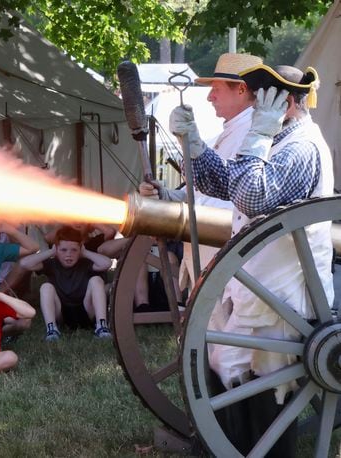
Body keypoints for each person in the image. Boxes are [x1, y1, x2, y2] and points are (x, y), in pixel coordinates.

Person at [173, 63, 332, 456]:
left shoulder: (300, 147)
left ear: (288, 103)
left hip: (282, 296)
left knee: (267, 382)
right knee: (229, 368)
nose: (258, 106)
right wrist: (193, 146)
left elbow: (252, 197)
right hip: (258, 288)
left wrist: (259, 133)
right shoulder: (278, 140)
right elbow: (227, 182)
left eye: (266, 99)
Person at [140, 52, 262, 291]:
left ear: (241, 89)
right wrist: (167, 196)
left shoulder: (253, 137)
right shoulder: (229, 132)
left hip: (231, 257)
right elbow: (206, 189)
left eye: (216, 88)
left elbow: (241, 197)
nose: (209, 97)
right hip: (213, 256)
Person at [19, 226, 113, 341]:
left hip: (87, 310)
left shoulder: (84, 263)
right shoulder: (52, 264)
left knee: (96, 280)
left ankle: (101, 326)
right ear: (57, 249)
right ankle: (51, 329)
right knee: (46, 287)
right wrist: (50, 252)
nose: (69, 254)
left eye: (74, 250)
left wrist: (85, 252)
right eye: (63, 250)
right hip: (62, 313)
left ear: (80, 250)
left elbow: (107, 263)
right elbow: (24, 264)